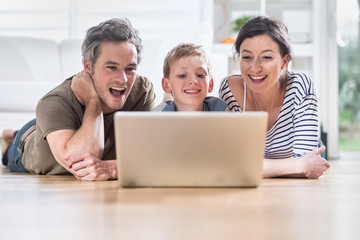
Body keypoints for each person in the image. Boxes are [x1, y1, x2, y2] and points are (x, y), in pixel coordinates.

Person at [1, 18, 155, 181]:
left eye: (130, 68)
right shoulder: (54, 101)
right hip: (29, 141)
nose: (123, 79)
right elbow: (82, 160)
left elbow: (147, 153)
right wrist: (93, 102)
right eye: (111, 67)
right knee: (10, 152)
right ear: (88, 66)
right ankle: (10, 137)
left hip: (65, 124)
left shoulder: (142, 91)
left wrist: (113, 168)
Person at [218, 16, 330, 179]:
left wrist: (249, 166)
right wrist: (299, 164)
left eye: (267, 57)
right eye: (247, 57)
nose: (255, 68)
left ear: (284, 61)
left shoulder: (300, 85)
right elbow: (228, 165)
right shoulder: (230, 90)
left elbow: (307, 170)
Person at [155, 43, 227, 111]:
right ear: (166, 85)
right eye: (182, 75)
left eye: (200, 75)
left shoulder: (220, 109)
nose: (193, 81)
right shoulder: (158, 116)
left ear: (210, 84)